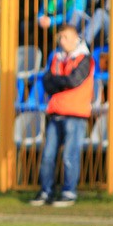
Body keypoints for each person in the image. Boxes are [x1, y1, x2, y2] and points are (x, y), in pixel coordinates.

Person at [30, 23, 93, 207]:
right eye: (60, 38)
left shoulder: (84, 58)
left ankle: (69, 192)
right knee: (48, 155)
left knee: (70, 156)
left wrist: (58, 82)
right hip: (56, 111)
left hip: (75, 113)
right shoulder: (57, 57)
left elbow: (73, 81)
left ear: (75, 38)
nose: (61, 41)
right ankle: (46, 191)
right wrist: (60, 82)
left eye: (65, 37)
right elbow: (46, 81)